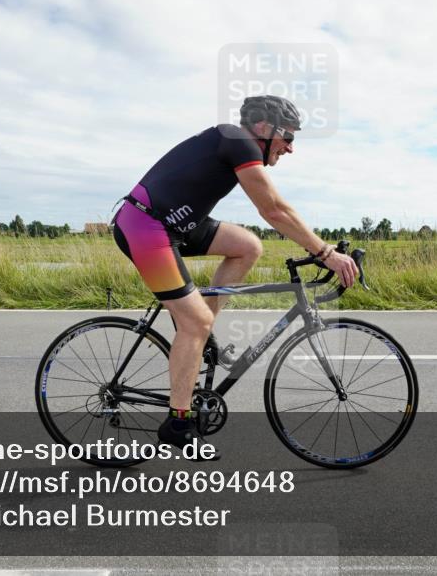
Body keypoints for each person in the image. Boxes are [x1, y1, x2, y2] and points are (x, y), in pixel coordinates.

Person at [111, 95, 358, 459]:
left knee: (248, 246)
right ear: (263, 128)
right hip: (144, 226)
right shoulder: (236, 139)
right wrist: (325, 253)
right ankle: (178, 424)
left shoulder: (237, 143)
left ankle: (200, 329)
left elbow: (272, 211)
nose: (290, 148)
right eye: (288, 138)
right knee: (192, 322)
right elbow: (273, 208)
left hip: (178, 225)